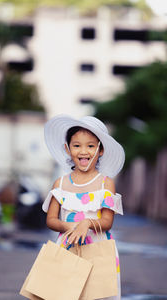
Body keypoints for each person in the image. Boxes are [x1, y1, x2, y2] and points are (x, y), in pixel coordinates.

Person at [42, 114, 125, 300]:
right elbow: (51, 219)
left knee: (97, 294)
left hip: (98, 248)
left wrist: (86, 223)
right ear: (67, 148)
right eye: (77, 145)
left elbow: (107, 221)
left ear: (100, 150)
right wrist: (68, 226)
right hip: (67, 247)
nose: (83, 151)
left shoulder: (106, 183)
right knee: (66, 294)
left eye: (90, 146)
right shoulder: (60, 184)